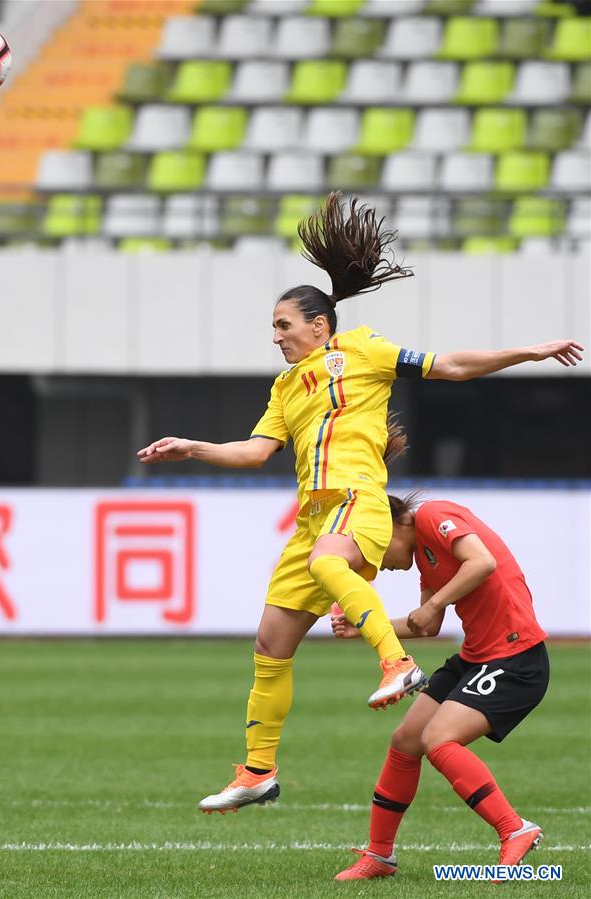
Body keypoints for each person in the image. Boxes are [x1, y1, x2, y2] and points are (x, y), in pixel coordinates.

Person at [137, 191, 583, 815]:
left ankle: (396, 663)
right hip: (315, 514)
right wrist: (193, 448)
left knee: (329, 562)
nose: (277, 337)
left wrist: (527, 351)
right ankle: (257, 772)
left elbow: (449, 364)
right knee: (270, 642)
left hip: (360, 502)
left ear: (320, 326)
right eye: (273, 328)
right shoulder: (286, 387)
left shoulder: (365, 352)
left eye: (284, 325)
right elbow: (255, 451)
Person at [331, 493, 553, 881]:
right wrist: (363, 628)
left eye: (377, 551)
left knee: (439, 739)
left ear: (392, 525)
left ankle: (514, 828)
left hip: (514, 656)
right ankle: (380, 856)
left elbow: (482, 562)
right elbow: (426, 625)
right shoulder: (425, 560)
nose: (381, 565)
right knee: (406, 740)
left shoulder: (434, 515)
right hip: (475, 657)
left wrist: (435, 605)